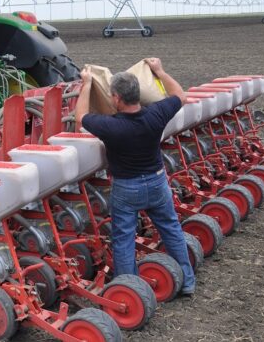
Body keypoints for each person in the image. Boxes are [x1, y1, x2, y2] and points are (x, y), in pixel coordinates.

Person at [74, 58, 196, 296]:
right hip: (158, 182)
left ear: (117, 99)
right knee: (171, 229)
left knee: (123, 239)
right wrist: (160, 71)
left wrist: (87, 84)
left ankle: (130, 290)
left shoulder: (112, 126)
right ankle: (188, 282)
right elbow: (181, 95)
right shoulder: (156, 114)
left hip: (127, 188)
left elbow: (80, 118)